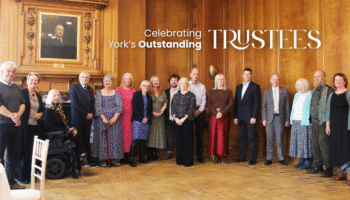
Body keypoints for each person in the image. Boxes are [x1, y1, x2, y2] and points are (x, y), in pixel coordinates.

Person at [44, 89, 86, 178]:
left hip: (63, 132)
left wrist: (70, 128)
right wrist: (66, 130)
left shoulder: (59, 109)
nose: (56, 97)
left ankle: (81, 155)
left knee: (77, 131)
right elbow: (49, 127)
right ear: (50, 97)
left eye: (58, 96)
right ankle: (82, 155)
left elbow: (65, 123)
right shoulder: (49, 110)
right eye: (54, 96)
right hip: (55, 136)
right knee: (76, 135)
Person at [0, 61, 25, 189]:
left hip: (15, 126)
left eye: (13, 72)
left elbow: (22, 104)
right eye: (8, 71)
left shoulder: (16, 87)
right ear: (2, 72)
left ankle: (10, 182)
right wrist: (12, 116)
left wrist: (18, 116)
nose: (11, 74)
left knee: (14, 155)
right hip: (2, 126)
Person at [16, 73, 44, 184]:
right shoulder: (22, 92)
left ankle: (31, 175)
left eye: (36, 80)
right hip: (24, 127)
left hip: (35, 128)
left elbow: (42, 110)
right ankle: (22, 177)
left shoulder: (39, 95)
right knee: (24, 152)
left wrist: (41, 114)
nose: (34, 82)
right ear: (27, 81)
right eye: (31, 80)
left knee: (33, 152)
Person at [307, 70, 334, 177]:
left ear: (324, 78)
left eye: (319, 76)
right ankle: (318, 165)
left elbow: (331, 108)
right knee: (315, 145)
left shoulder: (329, 90)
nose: (317, 78)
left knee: (324, 145)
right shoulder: (313, 90)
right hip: (313, 122)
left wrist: (328, 123)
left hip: (323, 122)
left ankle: (328, 168)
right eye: (315, 77)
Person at [93, 75, 124, 167]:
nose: (107, 83)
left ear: (112, 82)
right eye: (106, 81)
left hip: (115, 120)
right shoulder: (98, 93)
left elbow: (120, 106)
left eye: (110, 81)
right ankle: (103, 160)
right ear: (103, 82)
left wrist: (115, 117)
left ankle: (115, 159)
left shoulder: (116, 93)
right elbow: (98, 106)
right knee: (102, 139)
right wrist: (103, 118)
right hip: (102, 120)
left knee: (115, 139)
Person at [233, 68, 261, 165]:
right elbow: (236, 103)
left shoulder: (255, 87)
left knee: (252, 137)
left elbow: (257, 103)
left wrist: (254, 116)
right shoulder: (238, 87)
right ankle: (242, 157)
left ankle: (253, 158)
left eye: (249, 74)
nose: (247, 76)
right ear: (242, 75)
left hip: (250, 117)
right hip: (240, 117)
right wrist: (235, 116)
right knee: (242, 137)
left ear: (251, 76)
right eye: (245, 74)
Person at [262, 73, 290, 166]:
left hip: (280, 119)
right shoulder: (266, 92)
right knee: (269, 139)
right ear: (270, 80)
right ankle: (269, 158)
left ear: (279, 80)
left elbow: (287, 107)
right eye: (273, 79)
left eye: (277, 79)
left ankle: (281, 158)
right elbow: (264, 107)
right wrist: (264, 119)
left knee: (279, 139)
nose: (275, 81)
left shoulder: (284, 91)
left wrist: (287, 120)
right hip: (269, 119)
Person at [326, 73, 350, 180]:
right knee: (337, 149)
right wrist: (327, 125)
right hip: (334, 126)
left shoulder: (348, 93)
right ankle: (342, 172)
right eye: (336, 80)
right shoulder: (332, 95)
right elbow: (328, 111)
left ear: (345, 81)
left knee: (346, 149)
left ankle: (349, 173)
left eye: (340, 80)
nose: (338, 82)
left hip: (346, 126)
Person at [70, 71, 96, 166]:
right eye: (83, 77)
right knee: (77, 139)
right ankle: (78, 160)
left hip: (88, 119)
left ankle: (88, 158)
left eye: (87, 77)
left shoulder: (90, 89)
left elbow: (93, 104)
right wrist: (85, 114)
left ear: (89, 79)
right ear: (79, 78)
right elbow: (74, 105)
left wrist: (92, 113)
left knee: (87, 138)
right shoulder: (74, 87)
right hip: (77, 118)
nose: (85, 79)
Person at [207, 74, 233, 163]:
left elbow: (230, 104)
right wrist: (216, 113)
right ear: (215, 81)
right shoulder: (211, 91)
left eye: (222, 79)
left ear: (224, 81)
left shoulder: (228, 91)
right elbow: (209, 104)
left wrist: (222, 112)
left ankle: (223, 156)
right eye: (218, 79)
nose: (220, 81)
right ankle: (216, 156)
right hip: (214, 117)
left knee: (223, 136)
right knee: (214, 136)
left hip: (224, 117)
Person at [172, 78, 196, 167]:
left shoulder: (191, 95)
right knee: (179, 141)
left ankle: (187, 162)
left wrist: (183, 119)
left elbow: (191, 108)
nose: (183, 85)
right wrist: (176, 118)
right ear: (179, 85)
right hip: (177, 121)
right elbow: (172, 107)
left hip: (187, 121)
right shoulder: (175, 95)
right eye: (181, 83)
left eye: (185, 83)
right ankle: (179, 160)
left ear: (187, 85)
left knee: (187, 141)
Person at [289, 78, 312, 170]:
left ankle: (307, 162)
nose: (300, 87)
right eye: (298, 85)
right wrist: (291, 120)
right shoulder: (297, 95)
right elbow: (294, 108)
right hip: (295, 121)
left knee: (305, 142)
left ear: (306, 86)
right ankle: (301, 161)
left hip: (304, 121)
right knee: (298, 142)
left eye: (302, 85)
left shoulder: (310, 94)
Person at [129, 80, 153, 167]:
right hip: (138, 120)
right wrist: (142, 118)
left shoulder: (149, 97)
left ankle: (141, 157)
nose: (146, 87)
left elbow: (150, 110)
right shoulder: (136, 94)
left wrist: (147, 118)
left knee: (144, 140)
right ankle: (131, 159)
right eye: (144, 85)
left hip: (146, 121)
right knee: (135, 139)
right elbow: (135, 107)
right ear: (140, 86)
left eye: (148, 86)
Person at [116, 73, 136, 164]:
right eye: (126, 79)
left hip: (130, 116)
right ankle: (121, 156)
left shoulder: (134, 91)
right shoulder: (118, 89)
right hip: (121, 116)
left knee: (129, 136)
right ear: (123, 80)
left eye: (129, 79)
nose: (127, 81)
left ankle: (128, 156)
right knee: (121, 136)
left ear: (131, 81)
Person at [148, 76, 167, 161]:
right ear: (151, 82)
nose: (156, 82)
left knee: (158, 135)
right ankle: (150, 154)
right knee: (151, 135)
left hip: (160, 117)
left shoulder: (163, 92)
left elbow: (165, 102)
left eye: (157, 81)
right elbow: (146, 104)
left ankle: (154, 154)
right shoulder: (148, 92)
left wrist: (161, 112)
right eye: (154, 81)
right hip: (151, 116)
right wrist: (152, 112)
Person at [189, 68, 206, 163]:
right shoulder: (186, 84)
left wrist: (199, 110)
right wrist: (191, 111)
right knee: (189, 135)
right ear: (190, 74)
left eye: (197, 74)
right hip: (189, 113)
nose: (196, 76)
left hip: (200, 112)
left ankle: (200, 156)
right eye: (194, 74)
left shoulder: (202, 86)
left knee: (199, 135)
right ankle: (189, 155)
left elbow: (204, 100)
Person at [164, 74, 180, 160]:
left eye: (175, 80)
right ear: (169, 81)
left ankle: (179, 153)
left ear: (178, 81)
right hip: (168, 118)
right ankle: (169, 153)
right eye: (172, 80)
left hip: (178, 119)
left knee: (178, 137)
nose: (173, 81)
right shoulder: (165, 92)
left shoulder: (181, 91)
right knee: (169, 137)